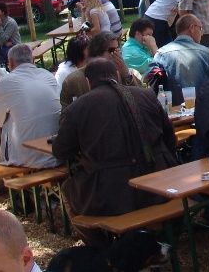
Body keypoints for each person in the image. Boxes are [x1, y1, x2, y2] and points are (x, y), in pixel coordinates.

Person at [53, 58, 176, 219]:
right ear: (117, 75)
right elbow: (169, 137)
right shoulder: (147, 94)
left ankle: (95, 235)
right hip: (160, 182)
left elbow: (60, 151)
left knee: (67, 189)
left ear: (88, 82)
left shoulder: (77, 108)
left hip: (110, 196)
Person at [0, 44, 60, 169]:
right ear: (32, 59)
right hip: (57, 153)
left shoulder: (5, 82)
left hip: (26, 158)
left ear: (10, 62)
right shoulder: (48, 75)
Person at [61, 32, 142, 112]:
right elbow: (65, 114)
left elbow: (139, 101)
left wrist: (126, 75)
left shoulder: (124, 73)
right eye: (112, 50)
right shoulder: (73, 80)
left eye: (118, 50)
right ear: (96, 52)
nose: (117, 55)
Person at [153, 13, 209, 92]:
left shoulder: (161, 53)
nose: (201, 34)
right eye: (200, 29)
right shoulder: (206, 52)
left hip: (173, 99)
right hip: (202, 99)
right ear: (192, 28)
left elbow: (154, 83)